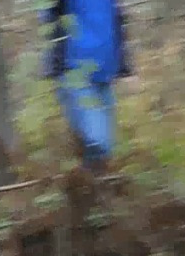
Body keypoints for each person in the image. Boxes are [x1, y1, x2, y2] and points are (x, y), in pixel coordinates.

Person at [39, 0, 136, 174]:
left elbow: (118, 27)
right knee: (98, 141)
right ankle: (85, 181)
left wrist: (126, 68)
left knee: (106, 147)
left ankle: (91, 185)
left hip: (104, 74)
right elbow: (47, 15)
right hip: (75, 75)